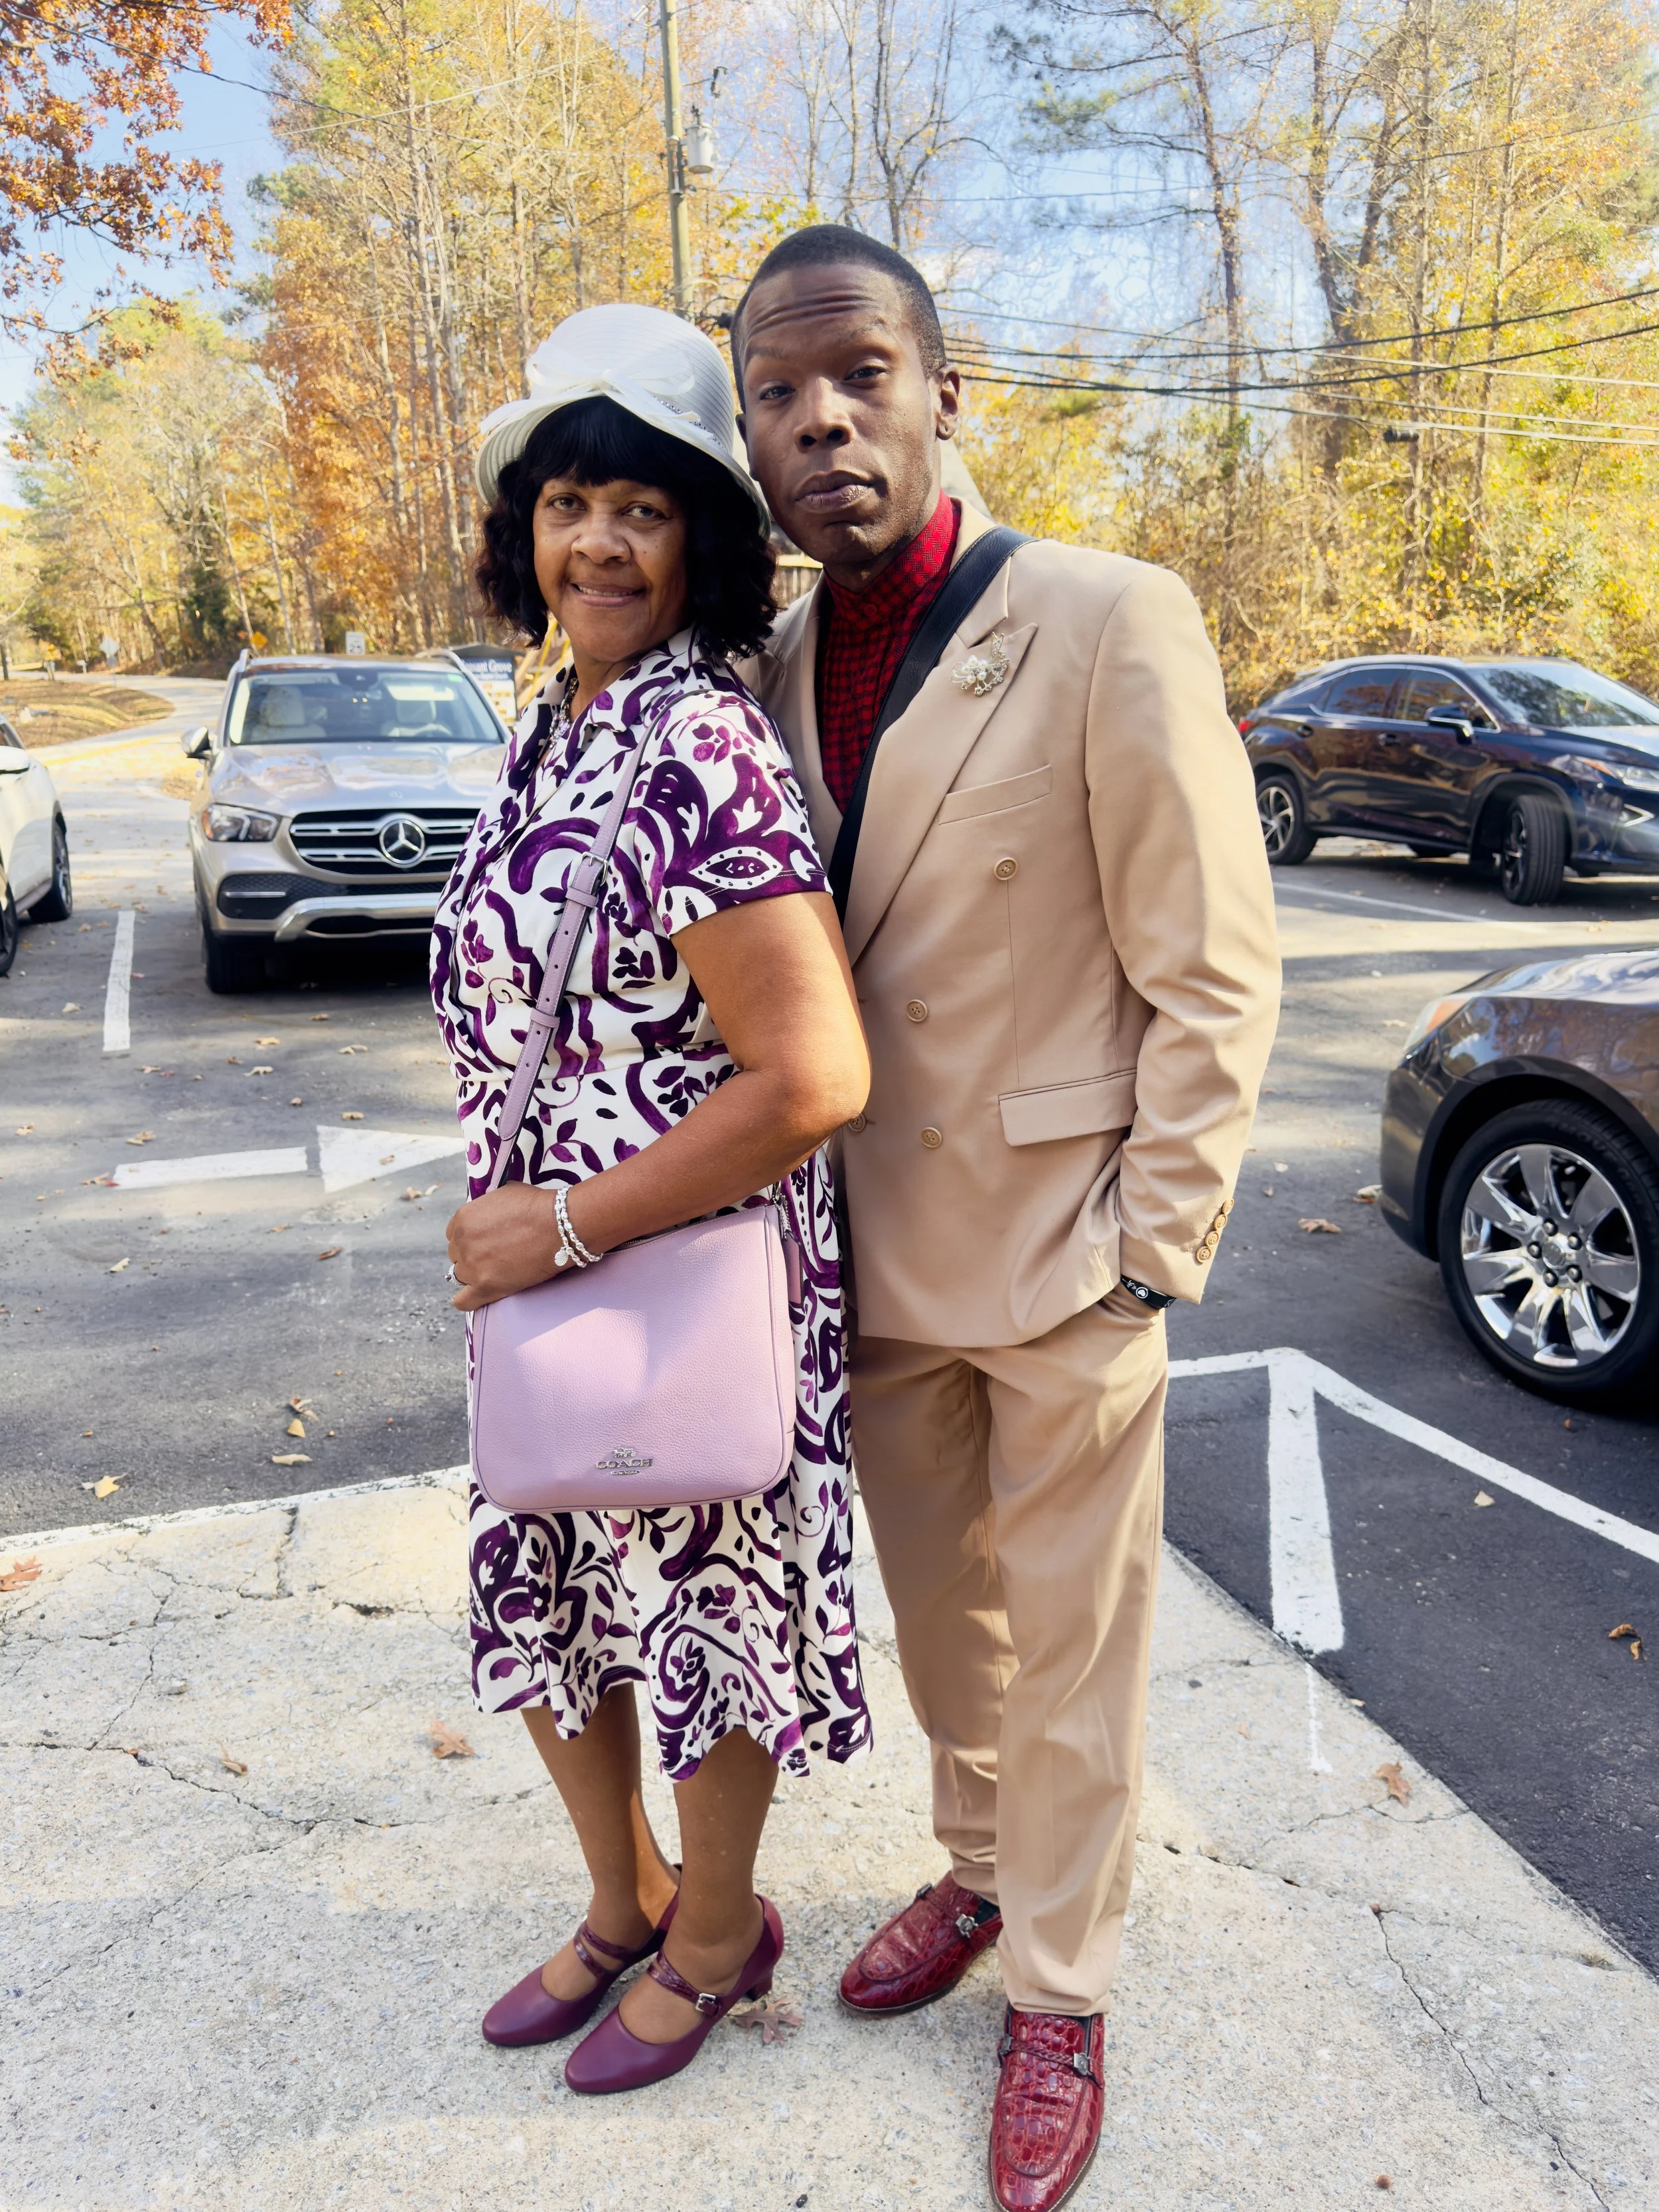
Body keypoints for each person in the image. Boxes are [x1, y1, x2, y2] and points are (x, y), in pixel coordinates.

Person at [732, 228, 1280, 2211]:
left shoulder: (1109, 617)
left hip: (1063, 1246)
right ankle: (976, 1867)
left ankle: (1061, 1981)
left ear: (942, 389)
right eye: (780, 397)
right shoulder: (765, 675)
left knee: (1074, 1645)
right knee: (944, 1624)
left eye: (859, 374)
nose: (822, 420)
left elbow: (1212, 963)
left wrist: (1157, 1237)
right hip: (862, 1258)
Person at [431, 302, 872, 2097]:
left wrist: (560, 1222)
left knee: (695, 1593)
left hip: (674, 1258)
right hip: (535, 1253)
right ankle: (620, 1896)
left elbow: (812, 1076)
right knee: (547, 1577)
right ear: (519, 532)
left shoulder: (697, 744)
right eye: (564, 503)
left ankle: (716, 1929)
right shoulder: (558, 718)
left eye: (639, 506)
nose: (595, 541)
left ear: (698, 534)